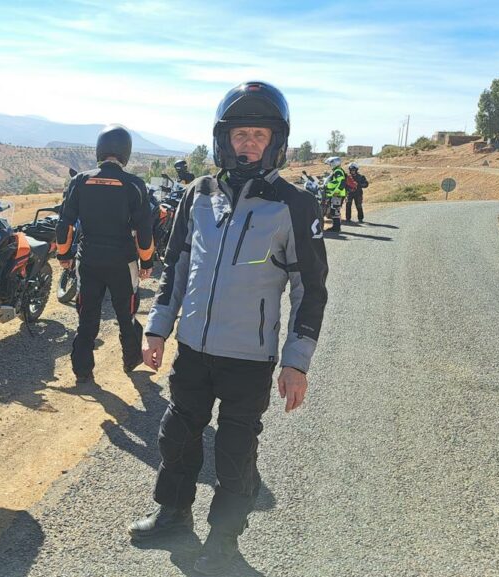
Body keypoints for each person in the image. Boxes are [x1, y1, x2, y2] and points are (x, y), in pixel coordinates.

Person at [128, 81, 328, 576]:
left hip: (250, 357)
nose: (249, 144)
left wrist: (296, 362)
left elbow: (310, 291)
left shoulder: (295, 205)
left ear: (276, 142)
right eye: (241, 134)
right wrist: (157, 328)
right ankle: (173, 517)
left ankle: (223, 543)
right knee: (177, 436)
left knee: (236, 453)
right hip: (193, 349)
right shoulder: (198, 194)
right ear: (223, 140)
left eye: (259, 135)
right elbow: (176, 268)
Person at [56, 124, 154, 383]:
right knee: (126, 314)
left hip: (88, 259)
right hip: (123, 261)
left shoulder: (80, 181)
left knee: (87, 316)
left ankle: (82, 371)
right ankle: (130, 360)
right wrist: (147, 261)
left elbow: (65, 224)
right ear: (126, 152)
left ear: (99, 149)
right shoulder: (134, 184)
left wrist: (63, 255)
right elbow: (144, 230)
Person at [323, 156, 348, 232]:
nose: (329, 165)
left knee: (335, 211)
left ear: (334, 163)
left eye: (330, 164)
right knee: (334, 211)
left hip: (337, 195)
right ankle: (336, 227)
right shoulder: (336, 171)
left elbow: (342, 182)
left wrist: (336, 192)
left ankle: (336, 228)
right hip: (335, 194)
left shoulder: (338, 171)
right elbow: (335, 182)